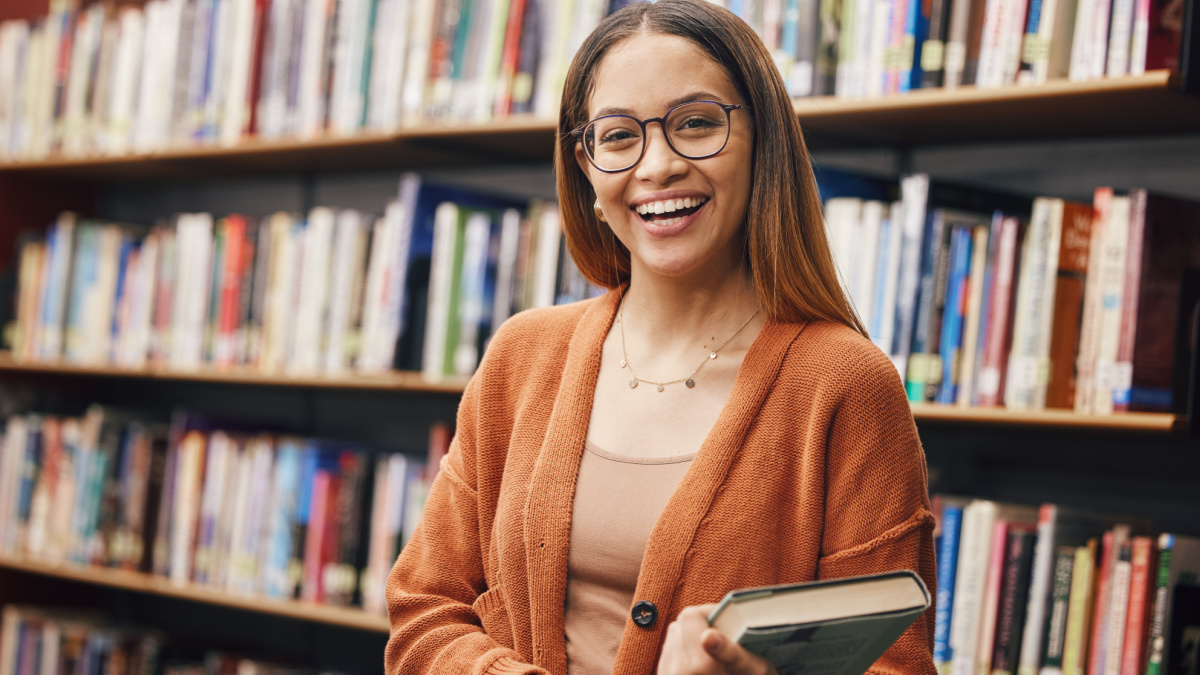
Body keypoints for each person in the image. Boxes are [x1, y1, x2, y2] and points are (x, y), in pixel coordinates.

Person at [383, 1, 937, 674]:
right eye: (618, 136)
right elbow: (424, 612)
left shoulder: (844, 384)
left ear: (761, 144)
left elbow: (894, 665)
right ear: (584, 166)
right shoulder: (521, 357)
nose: (658, 165)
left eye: (696, 124)